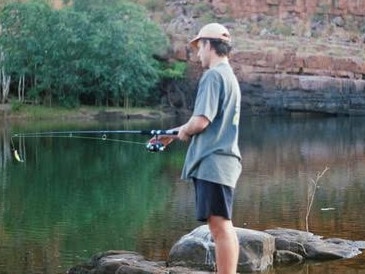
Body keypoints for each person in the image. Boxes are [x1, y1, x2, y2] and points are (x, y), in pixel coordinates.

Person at [154, 22, 242, 274]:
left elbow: (201, 120)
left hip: (214, 163)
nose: (197, 54)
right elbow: (205, 121)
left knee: (219, 227)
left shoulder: (213, 76)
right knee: (224, 226)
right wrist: (171, 134)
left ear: (209, 45)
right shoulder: (228, 76)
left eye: (199, 47)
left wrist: (185, 130)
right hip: (223, 162)